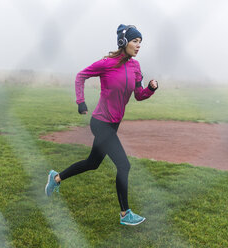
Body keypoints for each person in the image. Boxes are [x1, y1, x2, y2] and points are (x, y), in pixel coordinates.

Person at [45, 24, 158, 226]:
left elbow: (139, 95)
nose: (138, 45)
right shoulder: (107, 63)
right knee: (124, 165)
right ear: (124, 42)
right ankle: (125, 214)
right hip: (100, 123)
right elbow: (81, 76)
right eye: (135, 41)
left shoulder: (136, 67)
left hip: (113, 125)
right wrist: (80, 101)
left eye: (140, 42)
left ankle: (55, 178)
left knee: (92, 163)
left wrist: (150, 89)